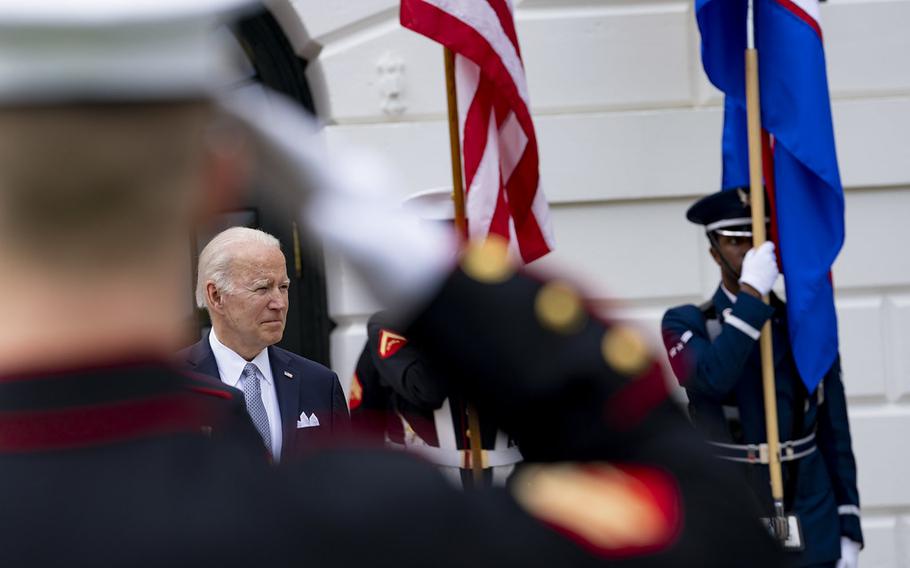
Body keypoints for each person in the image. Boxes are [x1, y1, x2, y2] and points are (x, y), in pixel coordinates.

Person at [0, 2, 787, 565]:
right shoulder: (362, 525)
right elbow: (709, 524)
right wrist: (433, 274)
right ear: (217, 182)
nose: (277, 301)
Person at [661, 188, 862, 567]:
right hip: (731, 501)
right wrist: (752, 295)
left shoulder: (803, 323)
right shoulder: (686, 322)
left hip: (807, 501)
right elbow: (710, 380)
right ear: (713, 250)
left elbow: (834, 427)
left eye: (757, 238)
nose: (749, 251)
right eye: (735, 241)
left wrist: (848, 523)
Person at [179, 226, 348, 462]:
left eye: (284, 287)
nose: (279, 303)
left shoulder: (319, 384)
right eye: (262, 288)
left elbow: (343, 482)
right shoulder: (170, 385)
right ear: (216, 296)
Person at [350, 311, 522, 488]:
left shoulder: (514, 323)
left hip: (508, 485)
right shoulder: (393, 325)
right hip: (423, 488)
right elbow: (425, 390)